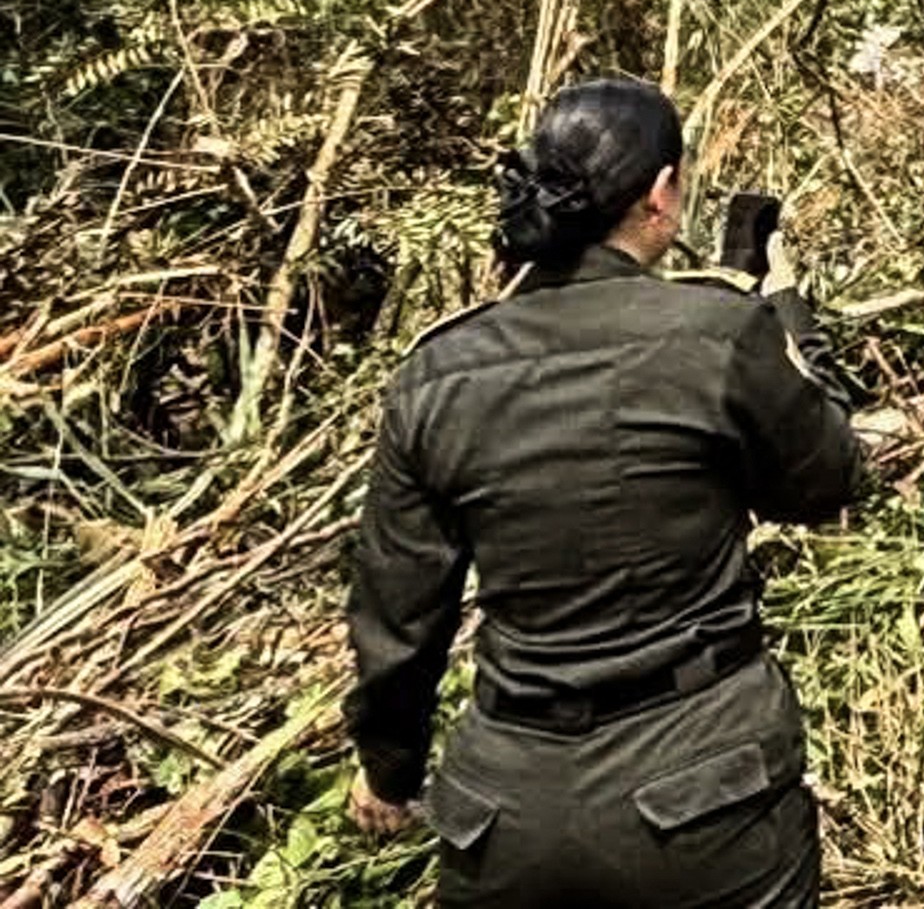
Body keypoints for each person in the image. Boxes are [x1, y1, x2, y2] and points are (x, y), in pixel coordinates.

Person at [343, 77, 864, 906]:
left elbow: (399, 611)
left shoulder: (436, 371)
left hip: (507, 812)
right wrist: (790, 325)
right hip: (707, 793)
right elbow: (826, 481)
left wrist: (388, 766)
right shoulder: (718, 335)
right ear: (660, 194)